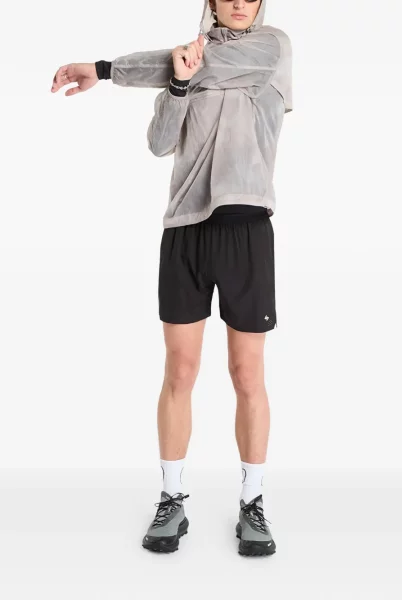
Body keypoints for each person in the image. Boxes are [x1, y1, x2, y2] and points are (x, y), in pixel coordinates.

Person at [51, 0, 292, 557]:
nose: (239, 2)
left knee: (247, 373)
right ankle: (171, 497)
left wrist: (107, 69)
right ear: (211, 2)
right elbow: (160, 143)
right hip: (185, 231)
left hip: (247, 230)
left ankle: (252, 502)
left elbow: (197, 61)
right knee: (179, 370)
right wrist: (178, 85)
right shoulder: (183, 66)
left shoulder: (272, 47)